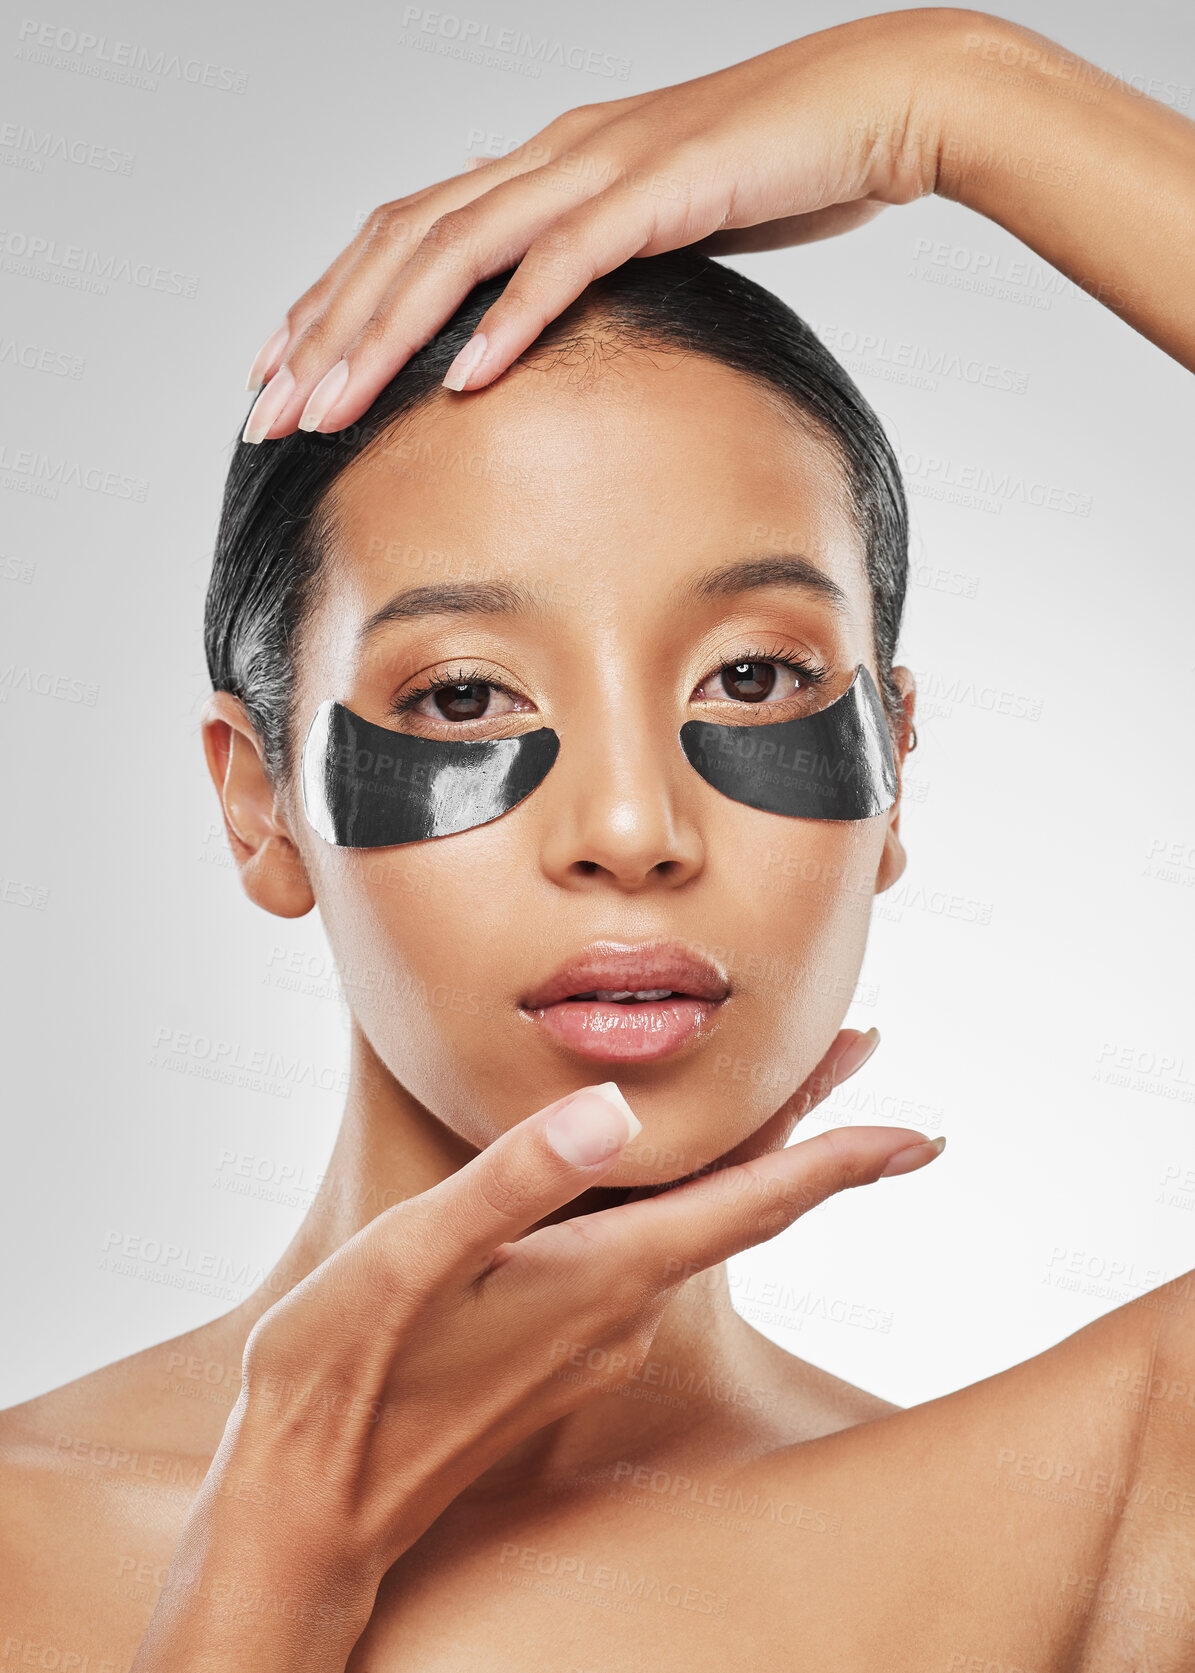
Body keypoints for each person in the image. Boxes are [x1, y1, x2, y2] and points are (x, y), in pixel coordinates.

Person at [3, 9, 1192, 1670]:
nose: (632, 828)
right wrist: (269, 1558)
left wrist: (955, 99)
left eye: (756, 674)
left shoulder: (1096, 1509)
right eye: (468, 695)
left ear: (896, 767)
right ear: (256, 798)